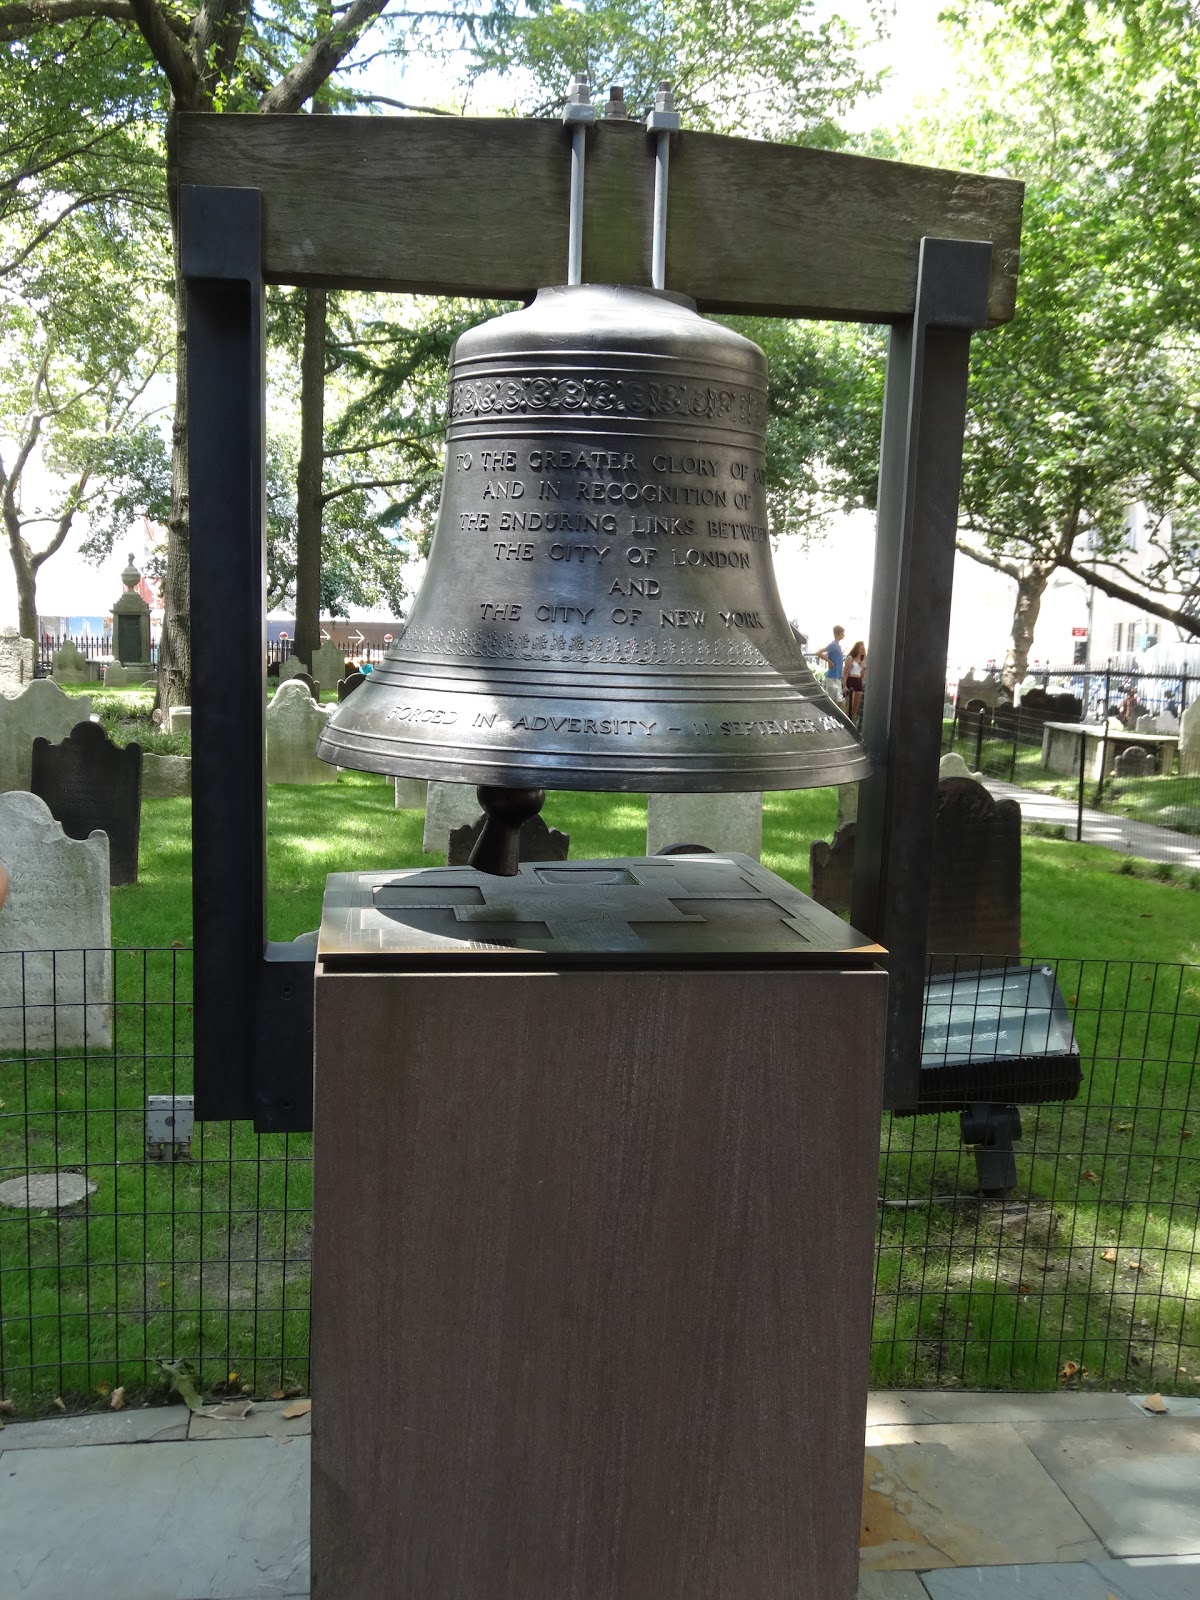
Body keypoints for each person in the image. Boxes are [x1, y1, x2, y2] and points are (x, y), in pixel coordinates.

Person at [816, 625, 846, 702]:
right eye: (842, 634)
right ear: (836, 634)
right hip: (832, 676)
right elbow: (818, 652)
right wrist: (829, 661)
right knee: (833, 700)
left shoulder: (837, 645)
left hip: (837, 676)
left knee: (839, 700)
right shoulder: (833, 645)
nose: (844, 635)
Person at [842, 639, 866, 723]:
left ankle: (853, 725)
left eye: (863, 649)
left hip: (858, 681)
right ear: (857, 649)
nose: (863, 650)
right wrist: (844, 685)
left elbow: (862, 676)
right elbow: (845, 672)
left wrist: (864, 668)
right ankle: (845, 725)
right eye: (861, 648)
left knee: (855, 708)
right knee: (849, 707)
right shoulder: (850, 658)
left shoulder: (862, 660)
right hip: (851, 681)